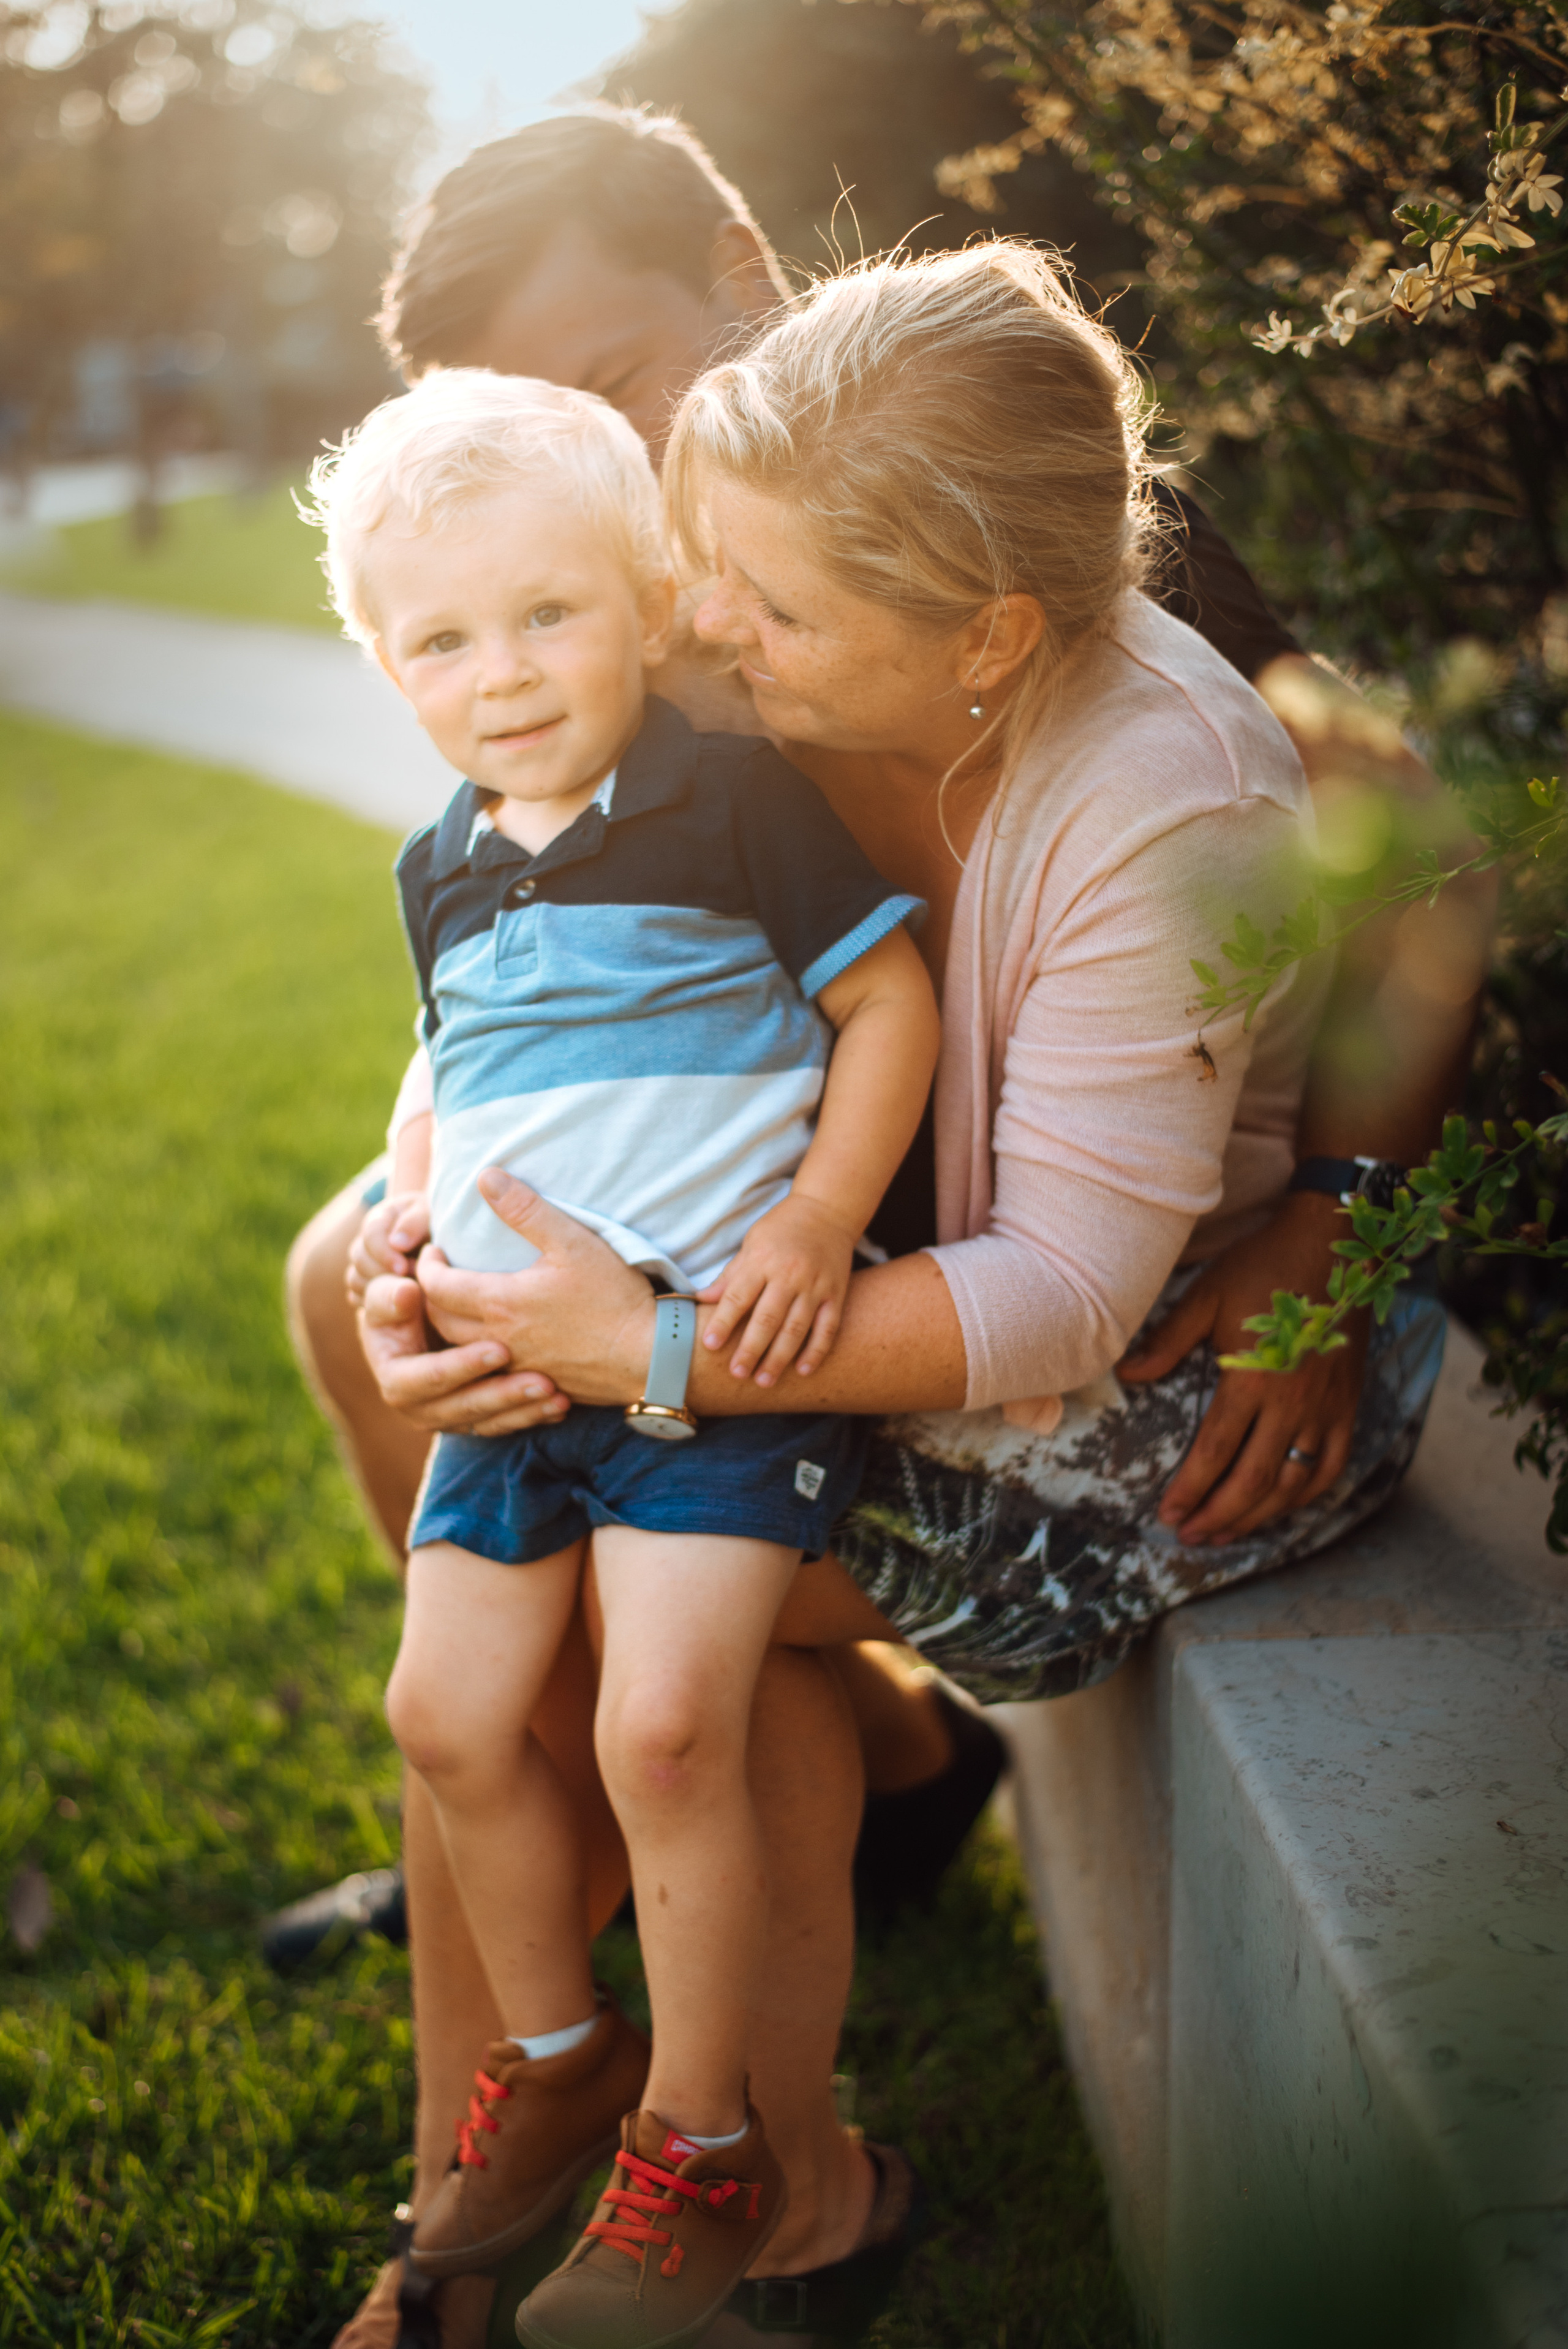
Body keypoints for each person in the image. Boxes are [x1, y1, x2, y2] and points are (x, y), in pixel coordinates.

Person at [347, 239, 1459, 2349]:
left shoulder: (1167, 788)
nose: (701, 627)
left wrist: (635, 1350)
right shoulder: (734, 647)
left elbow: (1055, 1294)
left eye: (766, 607)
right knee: (505, 1532)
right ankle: (622, 2206)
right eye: (704, 569)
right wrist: (449, 1262)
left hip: (1128, 1382)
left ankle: (629, 2215)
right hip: (851, 1276)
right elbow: (524, 966)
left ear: (993, 638)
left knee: (605, 1571)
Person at [306, 362, 940, 2342]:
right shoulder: (442, 865)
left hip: (697, 1379)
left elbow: (891, 1000)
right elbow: (451, 1075)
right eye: (440, 639)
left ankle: (700, 2137)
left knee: (659, 1728)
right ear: (384, 665)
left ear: (648, 599)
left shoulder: (729, 796)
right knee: (447, 1716)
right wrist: (408, 1220)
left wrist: (822, 1218)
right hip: (515, 1384)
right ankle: (561, 2049)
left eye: (547, 613)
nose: (500, 675)